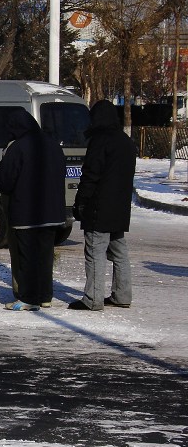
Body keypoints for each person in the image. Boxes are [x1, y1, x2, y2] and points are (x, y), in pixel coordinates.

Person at [0, 108, 66, 311]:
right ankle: (45, 295)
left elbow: (6, 180)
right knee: (45, 256)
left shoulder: (18, 147)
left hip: (26, 213)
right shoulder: (52, 144)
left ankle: (28, 297)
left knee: (26, 257)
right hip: (52, 212)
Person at [68, 99, 136, 311]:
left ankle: (93, 299)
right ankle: (122, 295)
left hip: (99, 207)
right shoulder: (126, 141)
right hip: (120, 209)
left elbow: (90, 175)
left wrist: (80, 202)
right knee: (119, 253)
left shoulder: (100, 141)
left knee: (95, 252)